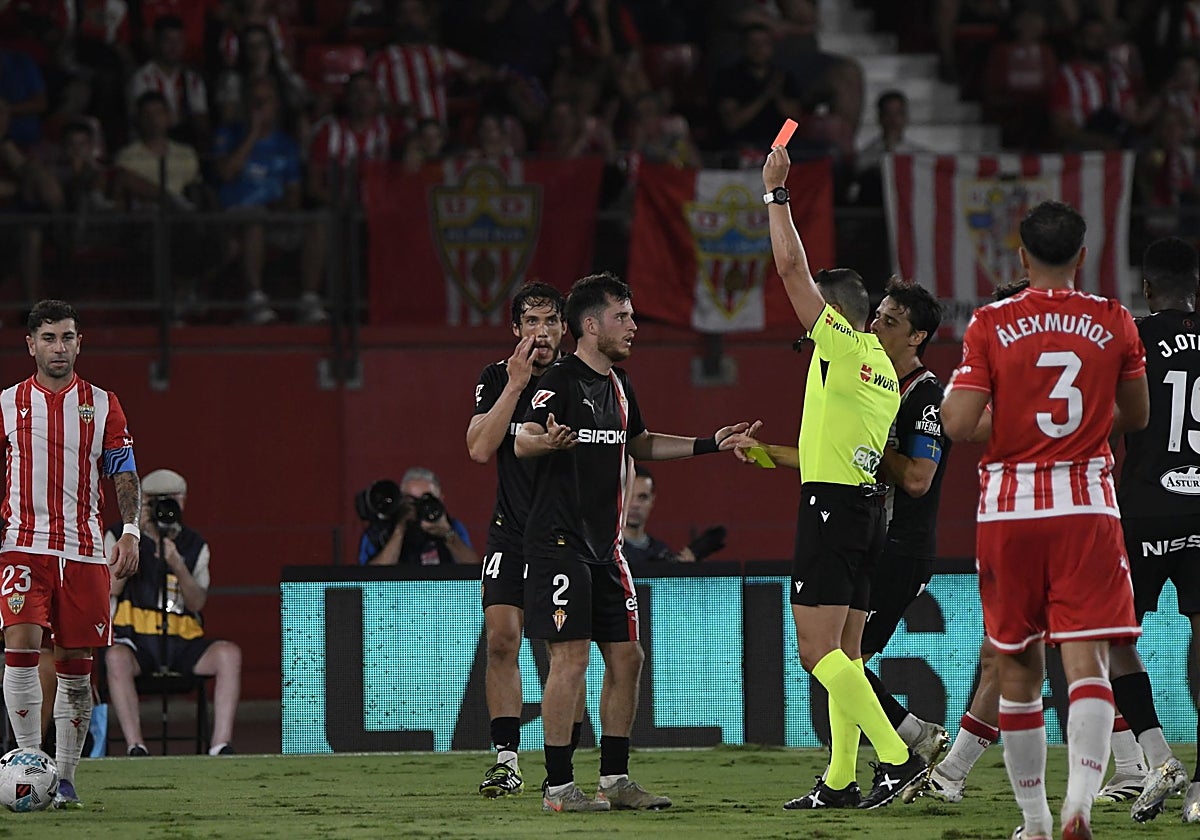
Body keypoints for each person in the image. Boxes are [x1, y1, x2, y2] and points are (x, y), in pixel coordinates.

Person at [941, 200, 1150, 840]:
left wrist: (1009, 419)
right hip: (1086, 505)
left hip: (1011, 509)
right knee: (1085, 660)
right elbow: (1135, 416)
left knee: (1018, 667)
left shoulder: (990, 324)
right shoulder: (1113, 320)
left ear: (1022, 256)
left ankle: (1033, 823)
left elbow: (955, 422)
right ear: (1082, 256)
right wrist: (1087, 421)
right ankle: (1078, 807)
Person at [515, 271, 754, 812]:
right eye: (623, 316)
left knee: (628, 657)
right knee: (569, 661)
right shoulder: (559, 381)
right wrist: (543, 441)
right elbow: (525, 436)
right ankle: (557, 788)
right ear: (591, 324)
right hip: (557, 546)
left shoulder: (619, 386)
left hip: (605, 549)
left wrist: (708, 444)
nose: (633, 325)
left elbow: (639, 443)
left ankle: (615, 780)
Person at [724, 194, 928, 809]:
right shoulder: (883, 371)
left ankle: (897, 757)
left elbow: (790, 267)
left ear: (835, 313)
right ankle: (840, 778)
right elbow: (838, 450)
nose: (801, 320)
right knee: (846, 654)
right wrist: (772, 454)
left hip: (832, 512)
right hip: (863, 513)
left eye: (813, 308)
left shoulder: (840, 342)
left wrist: (777, 195)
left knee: (816, 653)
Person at [0, 299, 142, 808]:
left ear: (79, 342)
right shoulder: (7, 402)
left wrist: (130, 531)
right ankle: (26, 762)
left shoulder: (103, 403)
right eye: (49, 338)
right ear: (31, 344)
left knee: (76, 664)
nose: (58, 348)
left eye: (67, 337)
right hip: (22, 545)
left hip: (84, 552)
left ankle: (63, 780)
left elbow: (123, 470)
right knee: (20, 643)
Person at [466, 282, 576, 797]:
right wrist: (514, 385)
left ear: (566, 327)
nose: (541, 333)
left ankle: (563, 765)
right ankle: (507, 761)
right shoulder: (495, 378)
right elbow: (479, 450)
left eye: (550, 321)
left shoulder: (582, 379)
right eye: (531, 323)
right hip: (509, 532)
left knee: (561, 650)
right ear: (515, 330)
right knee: (502, 639)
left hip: (563, 537)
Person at [1108, 236, 1199, 823]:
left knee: (1112, 639)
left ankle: (1157, 754)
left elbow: (1112, 416)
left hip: (1141, 507)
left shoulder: (1131, 335)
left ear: (1146, 288)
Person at [856, 279, 951, 769]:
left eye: (890, 322)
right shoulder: (875, 383)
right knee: (839, 660)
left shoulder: (926, 396)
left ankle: (913, 741)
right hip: (872, 541)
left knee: (841, 661)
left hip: (902, 548)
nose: (875, 326)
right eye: (876, 316)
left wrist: (876, 441)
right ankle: (911, 740)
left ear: (917, 337)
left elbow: (917, 479)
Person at [104, 468, 242, 757]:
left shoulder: (194, 544)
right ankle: (136, 746)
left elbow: (197, 603)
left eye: (172, 501)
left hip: (181, 641)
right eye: (156, 501)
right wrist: (136, 539)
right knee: (115, 658)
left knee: (229, 654)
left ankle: (220, 745)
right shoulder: (120, 536)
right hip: (136, 639)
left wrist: (178, 565)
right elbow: (112, 589)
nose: (165, 508)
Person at [357, 467, 479, 566]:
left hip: (440, 594)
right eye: (410, 501)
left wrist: (447, 534)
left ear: (440, 500)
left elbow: (475, 571)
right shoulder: (381, 532)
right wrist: (399, 530)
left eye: (425, 501)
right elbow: (371, 577)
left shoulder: (452, 526)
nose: (417, 508)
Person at [622, 466, 726, 565]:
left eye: (642, 497)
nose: (635, 504)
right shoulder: (609, 552)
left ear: (652, 501)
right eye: (628, 496)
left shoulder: (660, 551)